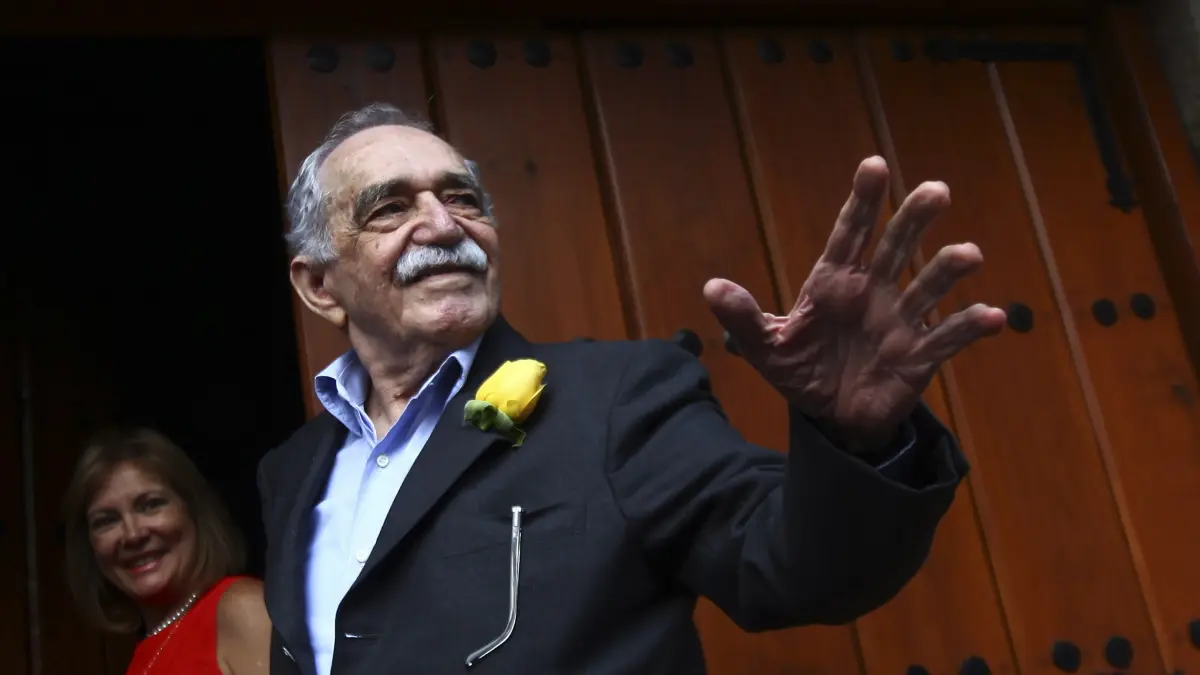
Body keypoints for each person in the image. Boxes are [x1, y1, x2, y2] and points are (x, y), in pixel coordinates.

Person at [258, 102, 1006, 675]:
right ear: (319, 285)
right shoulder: (290, 472)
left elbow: (792, 566)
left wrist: (856, 439)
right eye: (389, 208)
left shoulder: (616, 395)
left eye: (462, 199)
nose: (442, 225)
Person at [63, 427, 273, 675]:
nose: (133, 534)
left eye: (150, 505)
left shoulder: (241, 609)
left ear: (193, 511)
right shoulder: (144, 654)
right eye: (107, 521)